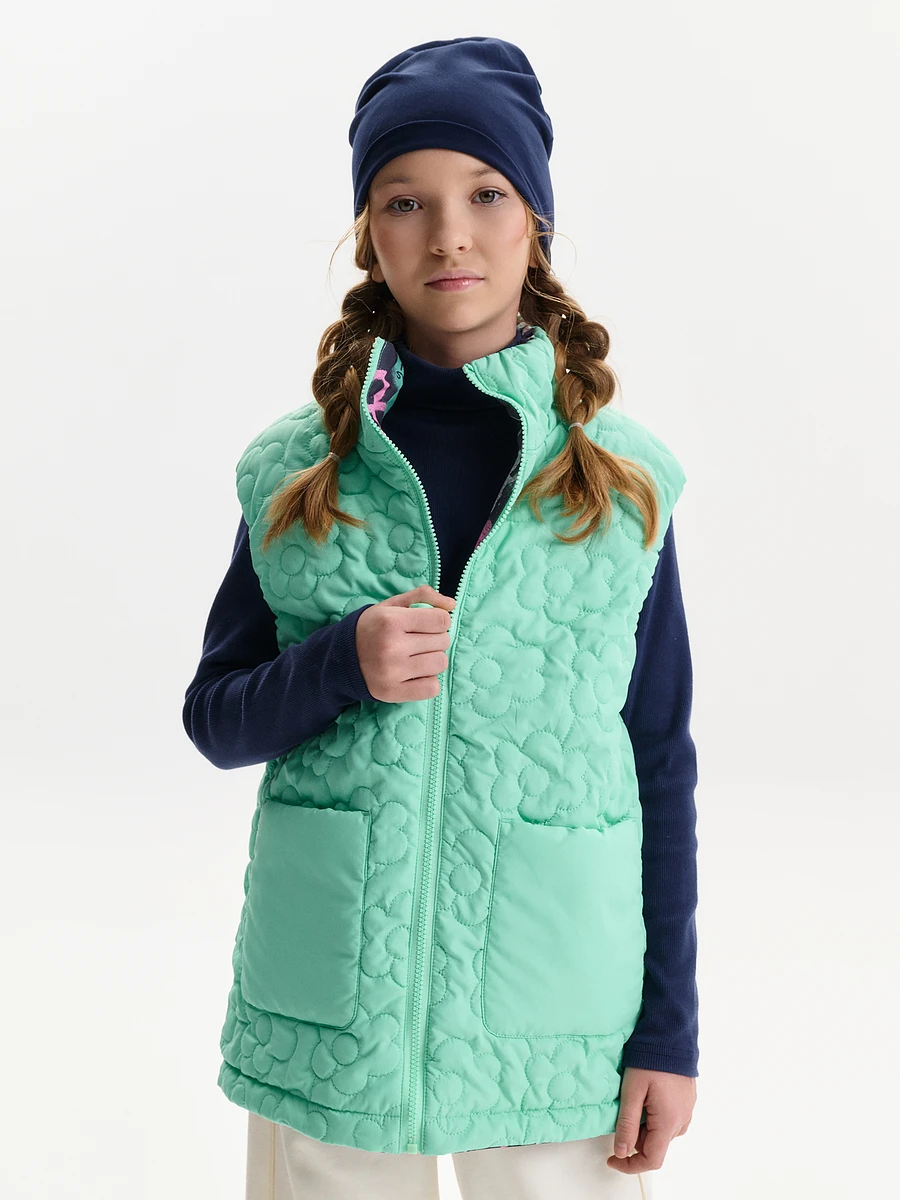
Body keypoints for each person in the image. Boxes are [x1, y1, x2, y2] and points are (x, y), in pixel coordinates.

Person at [183, 35, 699, 1200]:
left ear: (536, 222)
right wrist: (339, 665)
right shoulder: (295, 472)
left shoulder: (621, 485)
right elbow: (217, 719)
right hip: (334, 1011)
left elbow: (660, 756)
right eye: (405, 201)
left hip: (555, 1009)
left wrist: (669, 1031)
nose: (449, 235)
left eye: (486, 194)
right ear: (369, 233)